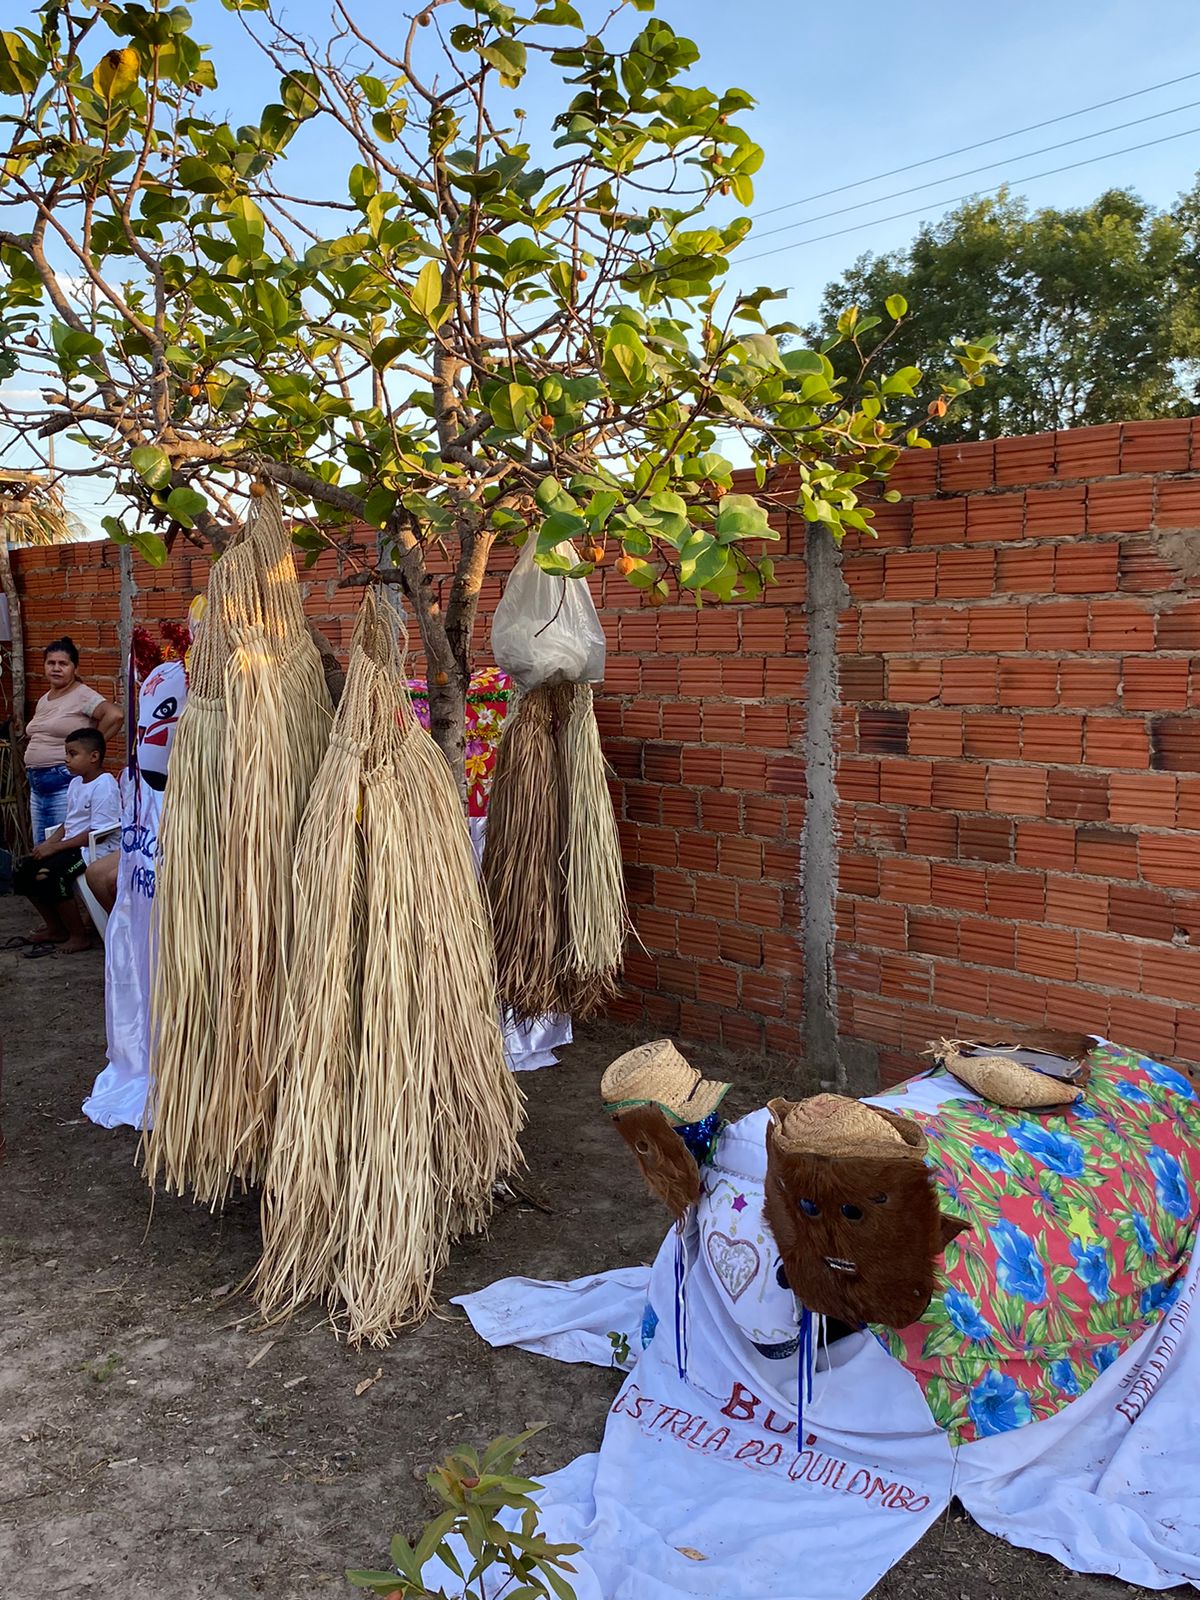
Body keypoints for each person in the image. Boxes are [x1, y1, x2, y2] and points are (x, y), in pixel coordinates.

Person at [14, 727, 120, 954]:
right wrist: (48, 843)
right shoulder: (75, 783)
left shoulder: (105, 785)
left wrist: (56, 848)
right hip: (72, 846)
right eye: (66, 753)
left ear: (94, 757)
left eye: (73, 754)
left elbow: (99, 830)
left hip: (95, 850)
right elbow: (69, 823)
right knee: (24, 870)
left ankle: (79, 935)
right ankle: (56, 927)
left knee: (54, 877)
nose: (66, 759)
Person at [22, 636, 122, 843]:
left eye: (63, 664)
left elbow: (115, 715)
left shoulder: (81, 694)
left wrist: (88, 749)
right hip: (37, 786)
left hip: (62, 781)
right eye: (51, 663)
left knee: (62, 848)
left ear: (74, 668)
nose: (56, 668)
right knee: (42, 848)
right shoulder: (45, 698)